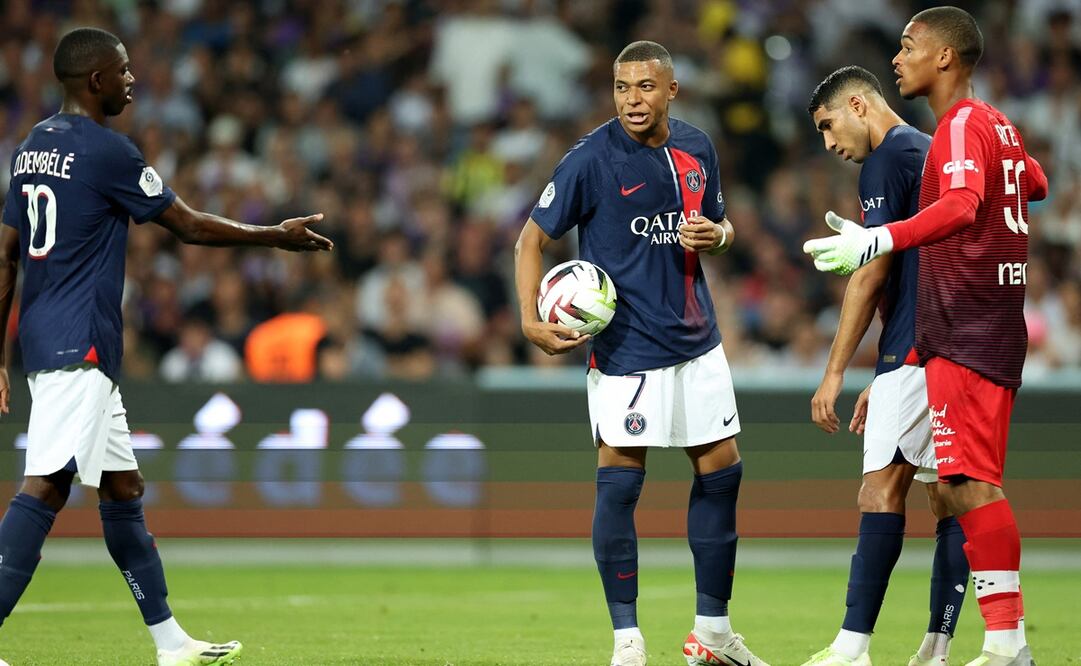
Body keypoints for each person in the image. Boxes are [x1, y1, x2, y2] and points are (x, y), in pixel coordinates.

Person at [0, 27, 331, 666]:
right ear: (94, 80)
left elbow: (7, 256)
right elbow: (186, 225)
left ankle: (170, 643)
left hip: (49, 336)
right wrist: (274, 236)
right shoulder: (108, 151)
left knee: (122, 487)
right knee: (44, 487)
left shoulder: (31, 147)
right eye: (122, 71)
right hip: (81, 343)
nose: (132, 80)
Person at [803, 7, 1048, 666]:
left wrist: (876, 239)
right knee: (959, 488)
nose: (896, 57)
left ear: (942, 57)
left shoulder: (958, 127)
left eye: (908, 46)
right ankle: (981, 643)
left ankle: (1001, 643)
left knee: (963, 488)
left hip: (961, 327)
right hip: (979, 327)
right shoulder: (992, 122)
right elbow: (1034, 181)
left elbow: (964, 205)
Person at [514, 40, 768, 666]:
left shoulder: (697, 148)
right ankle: (627, 641)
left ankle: (712, 635)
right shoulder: (590, 159)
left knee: (723, 474)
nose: (632, 99)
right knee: (620, 488)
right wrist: (528, 321)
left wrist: (722, 235)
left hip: (698, 343)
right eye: (622, 87)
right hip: (627, 351)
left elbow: (721, 227)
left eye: (645, 87)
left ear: (671, 90)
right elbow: (529, 241)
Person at [801, 65, 969, 666]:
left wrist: (836, 371)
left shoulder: (886, 159)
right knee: (950, 493)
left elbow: (871, 270)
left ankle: (852, 648)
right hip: (948, 344)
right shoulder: (926, 152)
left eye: (828, 126)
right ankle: (937, 645)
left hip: (919, 347)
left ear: (858, 105)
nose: (829, 144)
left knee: (880, 490)